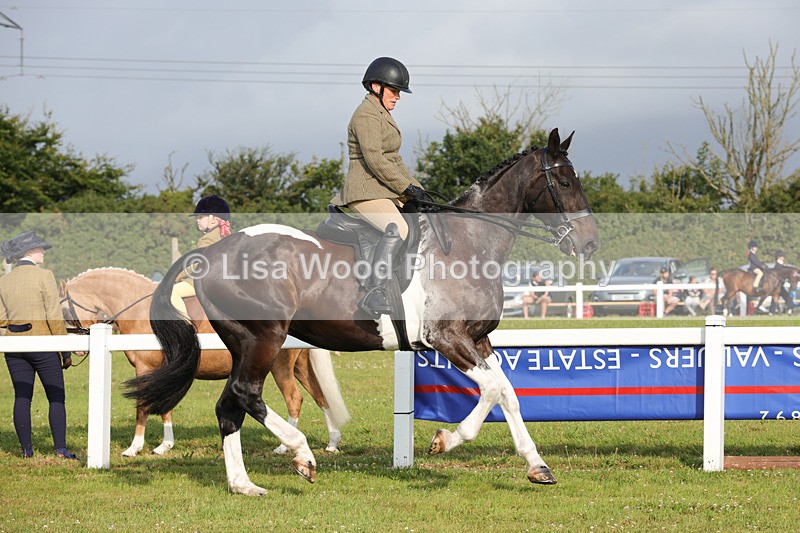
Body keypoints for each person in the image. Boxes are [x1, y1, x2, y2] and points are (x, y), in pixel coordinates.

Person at [331, 56, 433, 318]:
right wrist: (405, 188)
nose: (398, 96)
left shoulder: (382, 114)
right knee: (397, 228)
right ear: (376, 87)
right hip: (364, 189)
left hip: (382, 188)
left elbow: (394, 159)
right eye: (395, 90)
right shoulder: (365, 115)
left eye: (399, 92)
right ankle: (375, 292)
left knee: (425, 218)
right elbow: (375, 160)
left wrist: (418, 190)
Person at [0, 231, 78, 459]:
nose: (44, 252)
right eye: (40, 248)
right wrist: (65, 351)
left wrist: (18, 324)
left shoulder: (3, 280)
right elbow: (54, 315)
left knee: (22, 396)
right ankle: (61, 449)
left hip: (14, 347)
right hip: (43, 344)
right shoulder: (45, 275)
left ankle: (26, 450)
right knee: (56, 397)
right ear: (29, 252)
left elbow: (2, 318)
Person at [170, 195, 232, 319]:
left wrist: (173, 278)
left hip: (205, 282)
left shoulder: (207, 239)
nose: (197, 220)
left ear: (213, 219)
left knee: (173, 292)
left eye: (200, 217)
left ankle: (185, 325)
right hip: (224, 280)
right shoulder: (228, 235)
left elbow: (195, 265)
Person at [769, 250, 794, 315]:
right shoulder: (778, 266)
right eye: (782, 256)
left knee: (777, 298)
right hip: (778, 285)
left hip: (780, 285)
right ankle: (789, 309)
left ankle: (771, 312)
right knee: (786, 296)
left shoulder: (781, 265)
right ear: (779, 257)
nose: (783, 258)